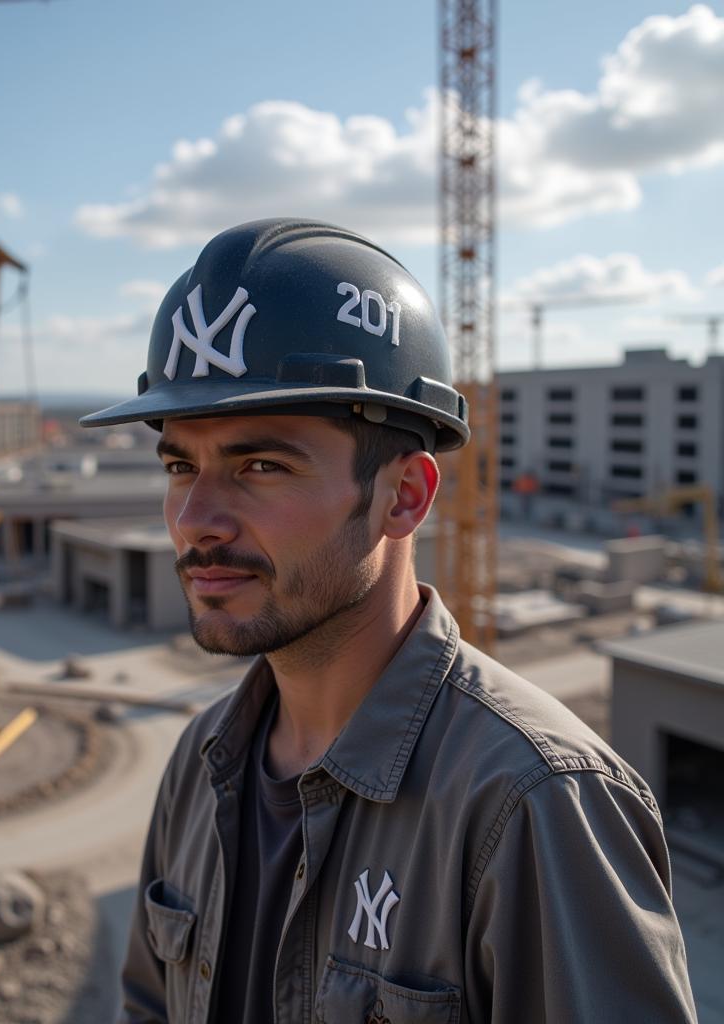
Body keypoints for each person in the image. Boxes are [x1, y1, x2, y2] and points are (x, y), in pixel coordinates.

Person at [81, 218, 696, 1023]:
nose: (196, 519)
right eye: (179, 465)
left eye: (260, 465)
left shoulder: (533, 804)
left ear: (404, 496)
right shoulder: (201, 763)